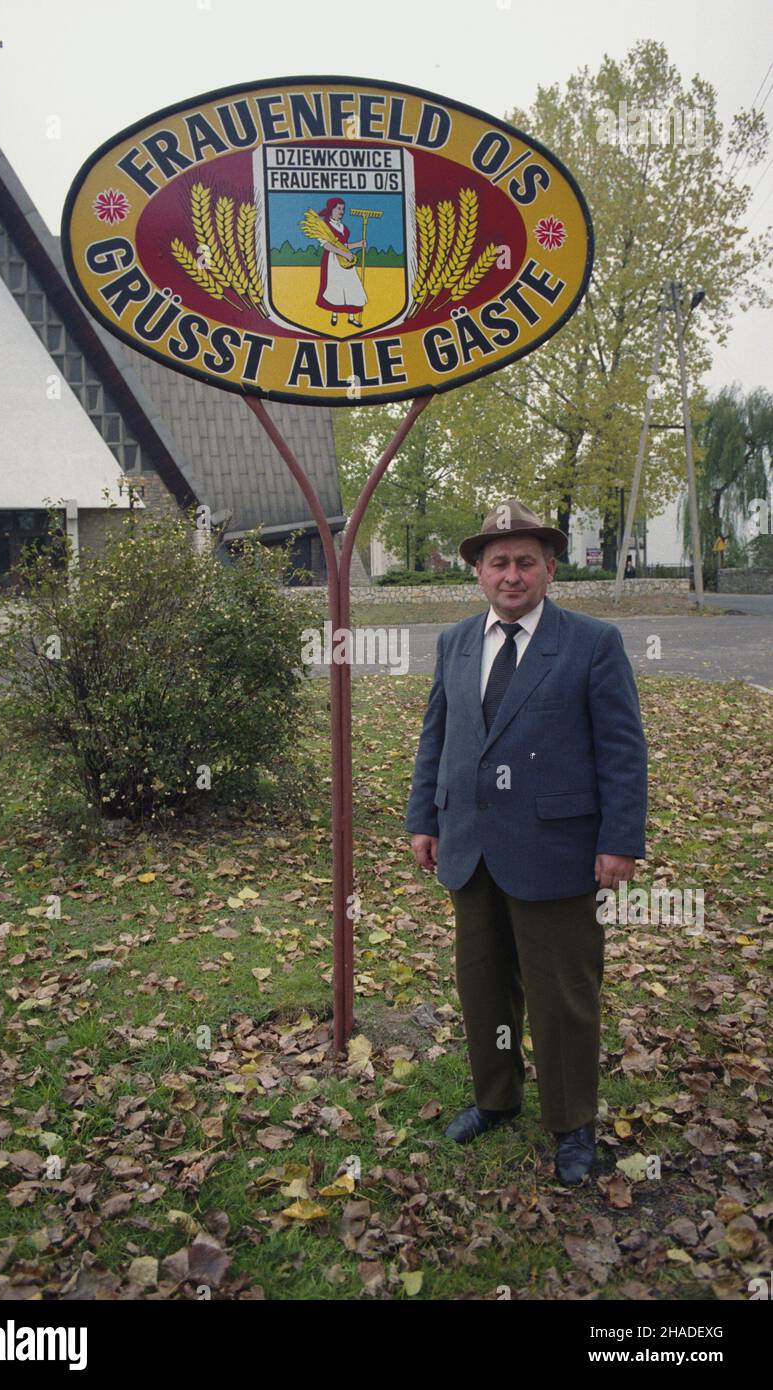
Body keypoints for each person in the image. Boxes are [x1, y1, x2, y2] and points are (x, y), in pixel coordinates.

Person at [405, 499, 647, 1184]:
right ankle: (495, 1098)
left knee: (561, 995)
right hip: (469, 847)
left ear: (548, 569)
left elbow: (622, 750)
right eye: (498, 562)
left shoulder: (591, 642)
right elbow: (438, 738)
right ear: (477, 571)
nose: (511, 575)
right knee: (482, 988)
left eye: (525, 562)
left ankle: (571, 1123)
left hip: (557, 853)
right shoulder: (454, 642)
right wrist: (423, 818)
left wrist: (619, 840)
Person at [314, 198, 367, 328]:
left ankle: (351, 317)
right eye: (338, 208)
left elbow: (344, 245)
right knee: (335, 287)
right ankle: (334, 314)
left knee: (351, 287)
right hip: (332, 261)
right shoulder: (324, 226)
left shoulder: (343, 226)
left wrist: (358, 244)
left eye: (343, 209)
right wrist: (344, 254)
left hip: (347, 261)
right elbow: (327, 245)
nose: (341, 211)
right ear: (331, 209)